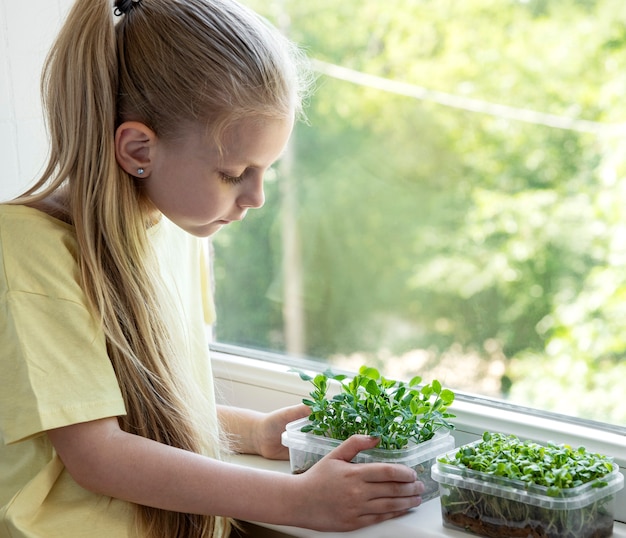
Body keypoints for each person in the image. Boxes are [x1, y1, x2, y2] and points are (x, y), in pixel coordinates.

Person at [0, 0, 425, 536]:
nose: (257, 197)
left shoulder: (179, 230)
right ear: (138, 149)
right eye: (234, 173)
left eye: (266, 170)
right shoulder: (25, 249)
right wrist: (296, 501)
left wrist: (253, 433)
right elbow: (97, 452)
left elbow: (144, 409)